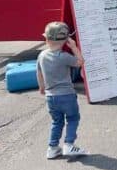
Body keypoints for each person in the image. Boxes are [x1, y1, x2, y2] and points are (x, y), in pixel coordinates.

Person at [36, 21, 88, 159]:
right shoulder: (64, 57)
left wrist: (42, 87)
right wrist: (74, 47)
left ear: (46, 39)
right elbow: (80, 62)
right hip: (67, 95)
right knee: (72, 118)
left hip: (50, 96)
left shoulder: (42, 56)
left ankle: (52, 148)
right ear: (65, 41)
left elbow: (39, 73)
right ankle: (69, 145)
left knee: (56, 121)